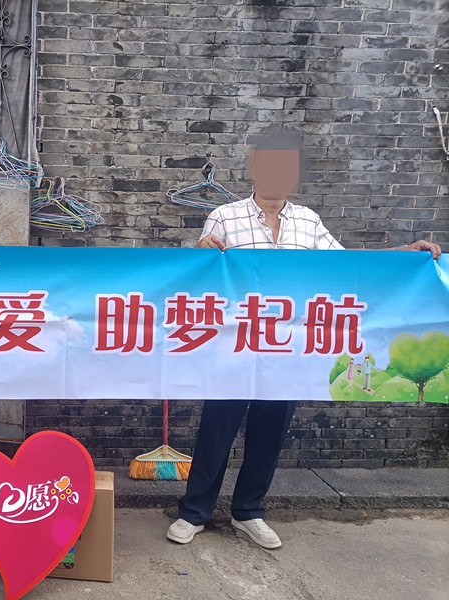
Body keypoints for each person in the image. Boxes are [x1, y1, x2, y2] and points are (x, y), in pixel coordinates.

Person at [167, 134, 441, 550]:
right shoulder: (224, 216)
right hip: (236, 345)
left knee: (269, 434)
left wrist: (404, 254)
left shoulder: (308, 222)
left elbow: (346, 266)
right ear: (254, 170)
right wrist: (199, 250)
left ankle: (249, 512)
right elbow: (205, 274)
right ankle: (194, 513)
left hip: (288, 350)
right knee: (217, 429)